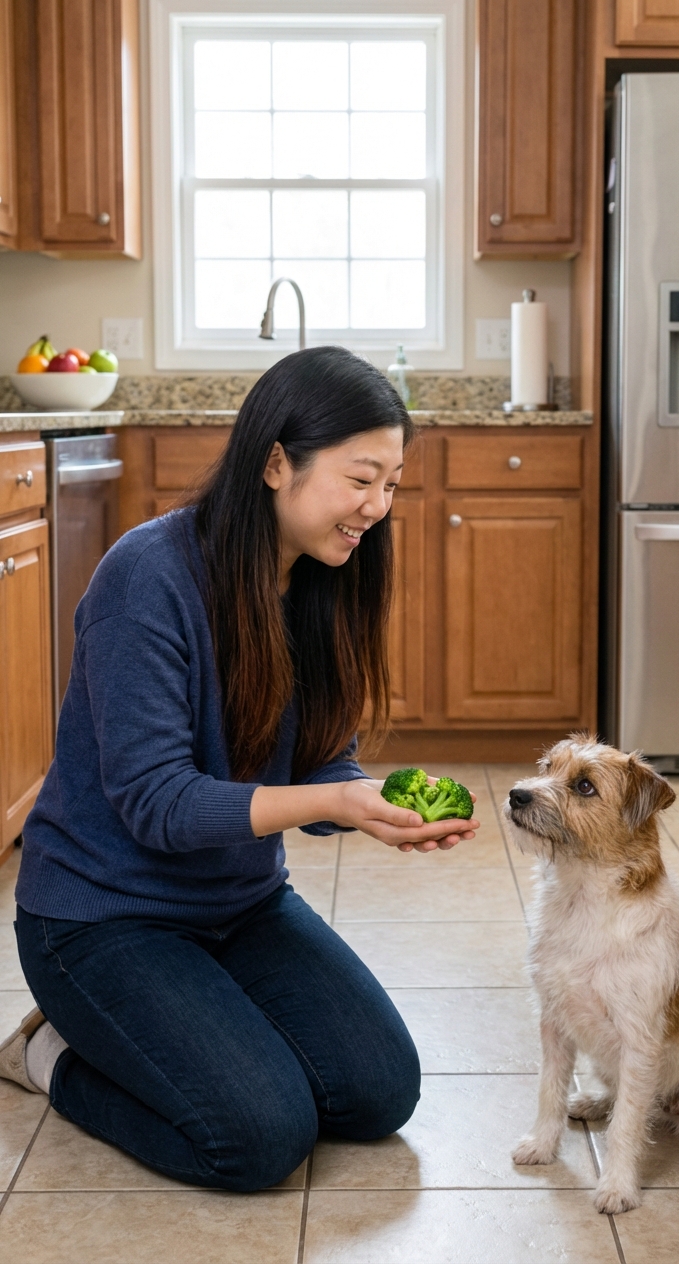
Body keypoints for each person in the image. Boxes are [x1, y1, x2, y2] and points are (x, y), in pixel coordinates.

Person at [0, 347, 479, 1192]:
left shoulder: (323, 578)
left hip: (241, 903)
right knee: (258, 1138)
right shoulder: (147, 578)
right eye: (361, 479)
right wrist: (337, 799)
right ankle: (49, 1053)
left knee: (379, 1093)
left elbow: (319, 761)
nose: (377, 508)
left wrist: (364, 802)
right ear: (275, 463)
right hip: (103, 918)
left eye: (392, 485)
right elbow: (158, 805)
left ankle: (198, 1012)